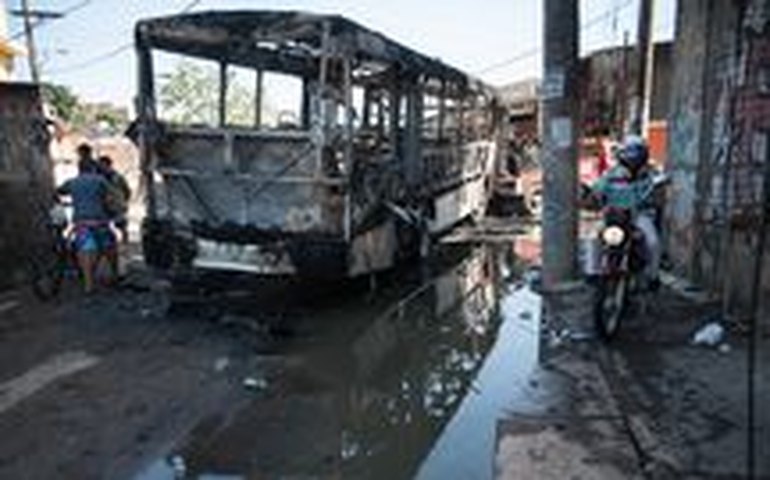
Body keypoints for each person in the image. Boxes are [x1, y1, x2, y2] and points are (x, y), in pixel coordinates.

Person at [588, 135, 662, 290]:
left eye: (636, 153)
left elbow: (659, 183)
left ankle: (653, 277)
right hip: (615, 215)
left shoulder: (650, 173)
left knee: (653, 242)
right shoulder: (612, 173)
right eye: (629, 152)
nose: (632, 158)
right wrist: (594, 193)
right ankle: (593, 272)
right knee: (594, 237)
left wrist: (660, 186)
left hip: (639, 215)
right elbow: (599, 187)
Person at [56, 157, 117, 293]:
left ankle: (88, 285)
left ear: (79, 169)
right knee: (110, 247)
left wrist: (70, 202)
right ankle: (114, 274)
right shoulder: (100, 181)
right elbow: (111, 197)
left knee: (85, 251)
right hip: (100, 221)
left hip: (81, 222)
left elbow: (59, 191)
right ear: (93, 168)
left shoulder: (72, 182)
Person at [98, 155, 132, 243]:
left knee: (121, 223)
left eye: (103, 164)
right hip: (104, 203)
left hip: (117, 203)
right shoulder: (98, 177)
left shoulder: (117, 177)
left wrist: (123, 201)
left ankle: (125, 238)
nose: (102, 167)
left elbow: (126, 190)